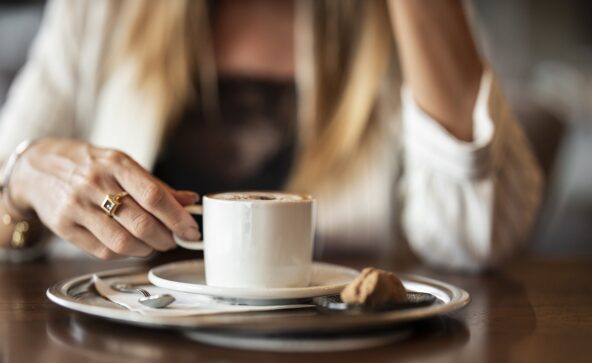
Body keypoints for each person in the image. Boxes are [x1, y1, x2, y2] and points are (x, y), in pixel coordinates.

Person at [0, 0, 542, 271]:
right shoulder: (101, 11)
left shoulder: (400, 19)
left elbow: (481, 235)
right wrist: (24, 180)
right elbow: (8, 191)